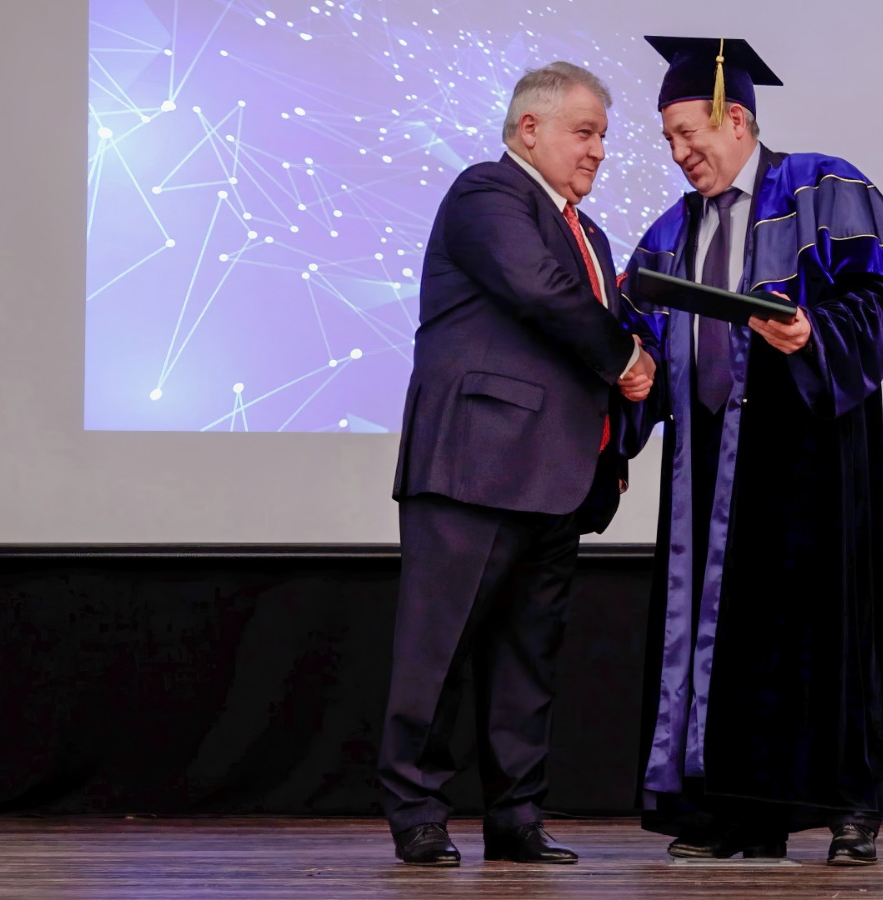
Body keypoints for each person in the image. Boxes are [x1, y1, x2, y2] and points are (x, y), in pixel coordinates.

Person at [616, 36, 883, 866]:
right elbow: (640, 340)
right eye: (669, 140)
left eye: (690, 134)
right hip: (711, 465)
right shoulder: (669, 234)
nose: (679, 154)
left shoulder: (821, 189)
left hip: (808, 459)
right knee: (727, 648)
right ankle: (739, 817)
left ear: (738, 120)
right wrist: (634, 368)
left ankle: (850, 807)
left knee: (824, 632)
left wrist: (814, 331)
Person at [378, 61, 655, 867]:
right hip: (475, 465)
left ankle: (516, 818)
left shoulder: (590, 233)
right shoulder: (487, 192)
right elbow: (538, 290)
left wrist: (650, 370)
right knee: (437, 651)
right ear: (529, 129)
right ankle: (417, 812)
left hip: (559, 479)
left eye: (603, 135)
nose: (599, 150)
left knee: (527, 661)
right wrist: (626, 358)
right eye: (585, 131)